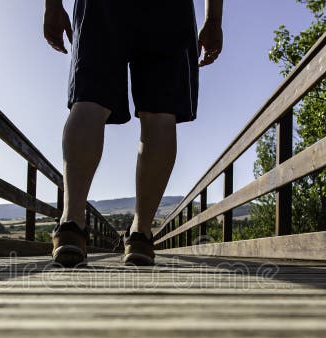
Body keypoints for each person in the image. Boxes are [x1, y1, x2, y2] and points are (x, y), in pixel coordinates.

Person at [44, 0, 223, 266]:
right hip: (170, 11)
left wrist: (52, 6)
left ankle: (71, 226)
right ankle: (140, 234)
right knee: (160, 114)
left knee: (90, 101)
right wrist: (213, 20)